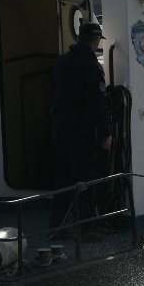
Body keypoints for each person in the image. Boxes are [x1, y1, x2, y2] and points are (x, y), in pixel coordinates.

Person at [49, 19, 113, 232]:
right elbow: (98, 103)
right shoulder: (92, 67)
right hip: (81, 128)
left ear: (79, 38)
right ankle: (86, 229)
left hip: (60, 124)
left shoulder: (62, 60)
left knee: (63, 175)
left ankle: (56, 226)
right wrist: (106, 132)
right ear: (95, 41)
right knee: (85, 178)